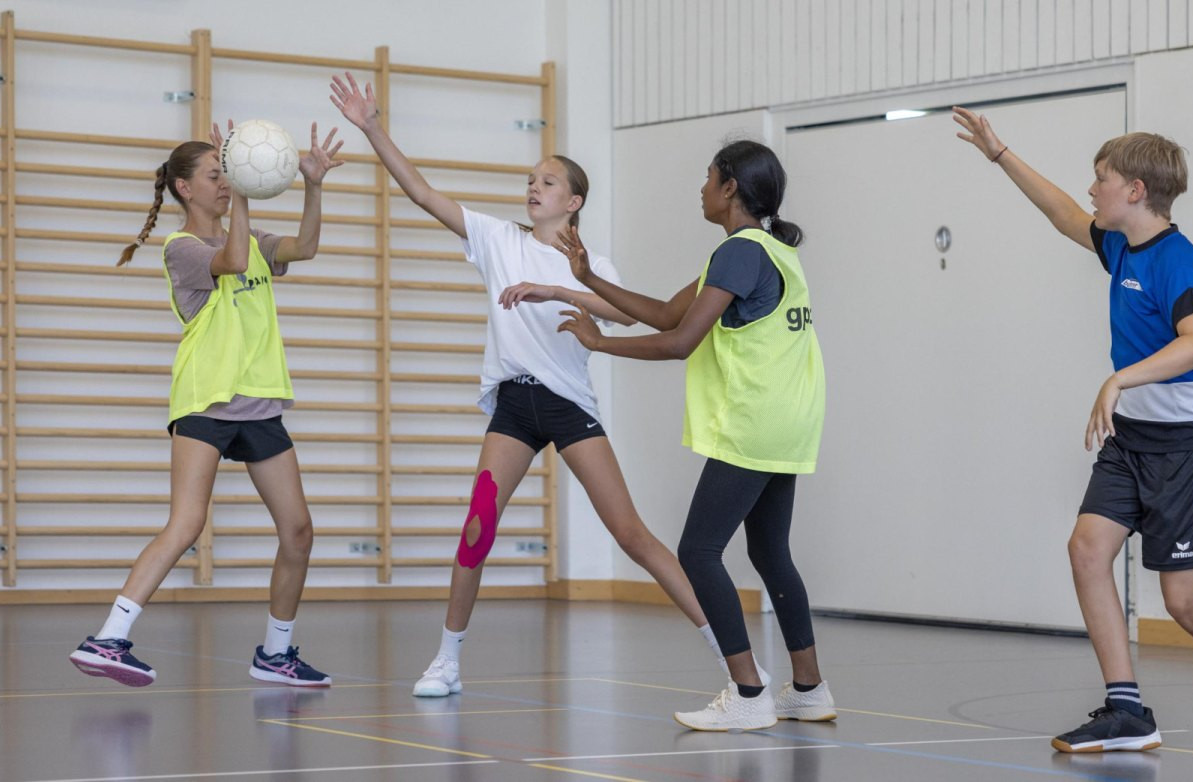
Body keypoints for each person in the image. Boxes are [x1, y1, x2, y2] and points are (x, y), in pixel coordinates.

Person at [328, 73, 760, 697]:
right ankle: (446, 660)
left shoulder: (593, 266)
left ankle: (728, 658)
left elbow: (627, 315)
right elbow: (422, 194)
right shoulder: (497, 239)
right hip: (513, 404)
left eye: (548, 181)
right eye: (530, 180)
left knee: (631, 534)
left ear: (573, 201)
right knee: (478, 522)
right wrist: (372, 127)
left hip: (567, 408)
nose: (534, 187)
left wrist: (565, 288)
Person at [953, 106, 1193, 751]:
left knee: (1184, 602)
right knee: (1086, 549)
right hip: (1132, 440)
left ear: (1134, 190)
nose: (1090, 188)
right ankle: (1127, 709)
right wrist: (1000, 154)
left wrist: (1118, 379)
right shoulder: (1118, 245)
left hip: (1190, 445)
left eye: (1099, 177)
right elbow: (1059, 211)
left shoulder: (1176, 259)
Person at [549, 139, 833, 731]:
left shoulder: (738, 253)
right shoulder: (769, 251)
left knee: (697, 552)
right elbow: (666, 313)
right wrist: (588, 277)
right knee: (769, 552)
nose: (700, 187)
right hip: (791, 421)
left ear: (730, 187)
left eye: (707, 177)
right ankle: (808, 688)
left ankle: (749, 693)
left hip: (754, 420)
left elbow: (681, 344)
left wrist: (600, 343)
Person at [68, 121, 345, 688]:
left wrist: (313, 186)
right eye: (216, 176)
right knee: (186, 523)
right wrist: (244, 190)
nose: (224, 184)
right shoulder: (184, 250)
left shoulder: (256, 237)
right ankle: (109, 639)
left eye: (229, 174)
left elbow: (307, 247)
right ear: (183, 188)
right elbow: (235, 260)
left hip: (260, 404)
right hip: (205, 402)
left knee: (298, 531)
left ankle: (276, 654)